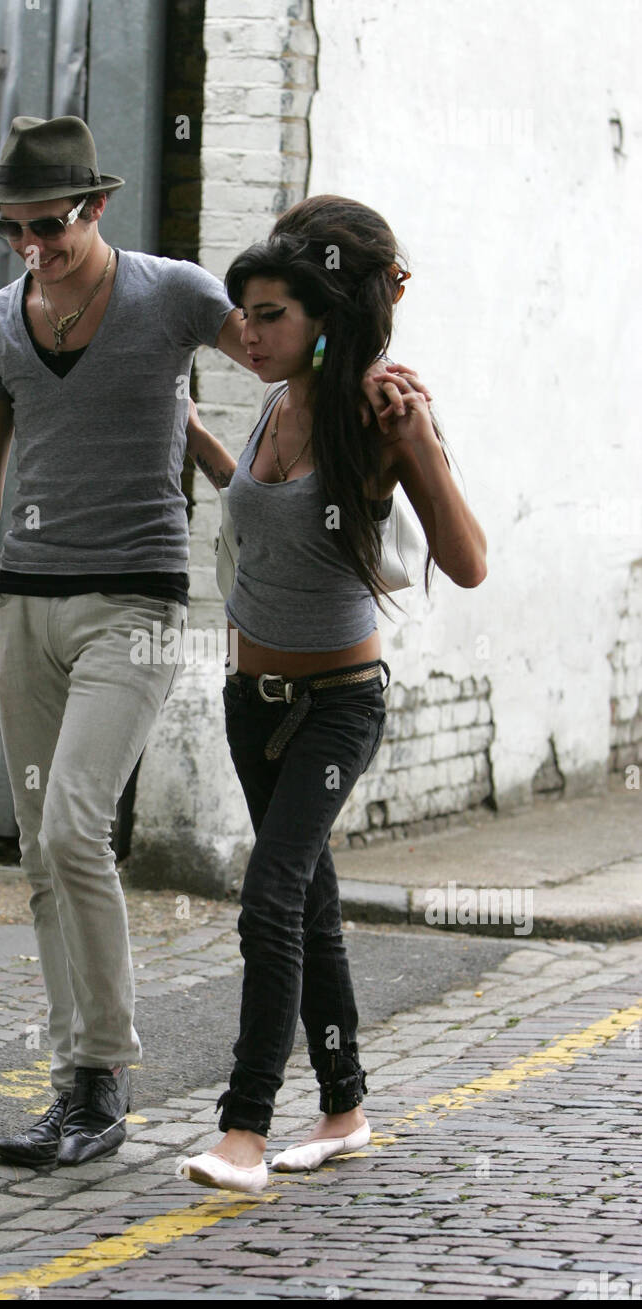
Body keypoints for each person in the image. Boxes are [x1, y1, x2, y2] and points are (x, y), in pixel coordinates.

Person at [0, 118, 423, 1170]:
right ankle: (82, 1087)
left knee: (73, 828)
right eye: (13, 230)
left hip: (138, 604)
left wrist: (377, 382)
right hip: (25, 603)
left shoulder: (176, 292)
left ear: (95, 208)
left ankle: (107, 1076)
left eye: (49, 225)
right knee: (41, 852)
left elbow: (291, 343)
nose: (32, 248)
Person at [177, 194, 487, 1193]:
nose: (251, 334)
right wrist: (194, 435)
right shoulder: (277, 393)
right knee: (307, 905)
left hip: (336, 702)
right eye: (250, 315)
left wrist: (424, 443)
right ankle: (345, 1105)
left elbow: (468, 561)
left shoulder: (378, 410)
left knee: (269, 894)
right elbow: (269, 521)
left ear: (322, 308)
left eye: (273, 315)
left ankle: (243, 1130)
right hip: (249, 697)